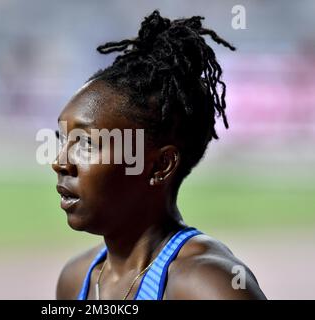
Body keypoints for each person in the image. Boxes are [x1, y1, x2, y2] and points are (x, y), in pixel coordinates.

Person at [51, 10, 266, 300]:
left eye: (87, 144)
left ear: (160, 166)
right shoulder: (77, 280)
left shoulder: (210, 287)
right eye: (62, 139)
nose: (60, 162)